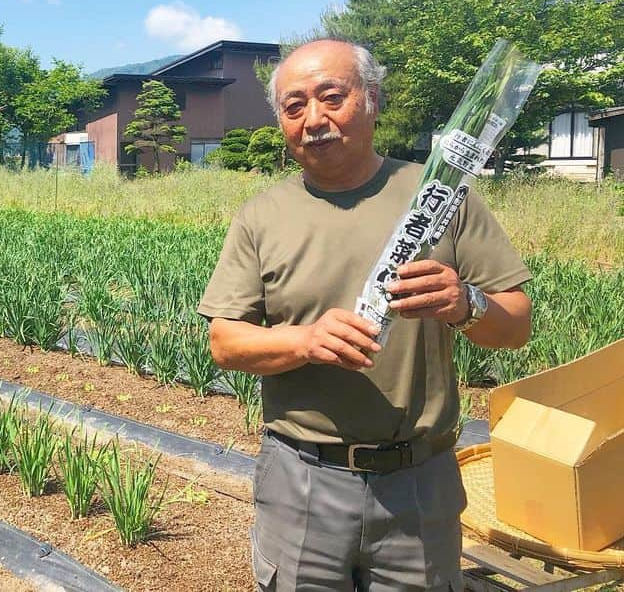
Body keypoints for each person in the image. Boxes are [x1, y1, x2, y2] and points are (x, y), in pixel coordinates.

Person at [200, 39, 533, 592]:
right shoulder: (262, 216)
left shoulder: (441, 198)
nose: (315, 119)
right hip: (303, 479)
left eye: (333, 97)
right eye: (294, 106)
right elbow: (225, 343)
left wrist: (465, 303)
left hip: (419, 483)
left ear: (372, 99)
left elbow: (515, 324)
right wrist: (305, 341)